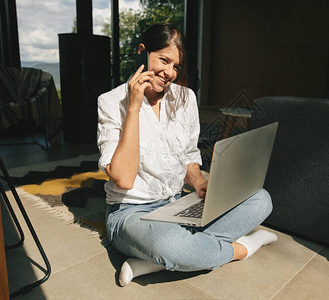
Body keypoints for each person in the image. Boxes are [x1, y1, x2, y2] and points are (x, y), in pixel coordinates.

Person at [97, 23, 277, 286]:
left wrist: (200, 183)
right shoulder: (111, 102)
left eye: (176, 66)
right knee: (169, 244)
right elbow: (123, 179)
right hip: (131, 213)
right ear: (141, 52)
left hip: (175, 205)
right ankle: (242, 248)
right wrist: (134, 108)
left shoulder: (186, 98)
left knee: (261, 199)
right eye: (164, 60)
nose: (169, 73)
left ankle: (156, 260)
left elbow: (189, 158)